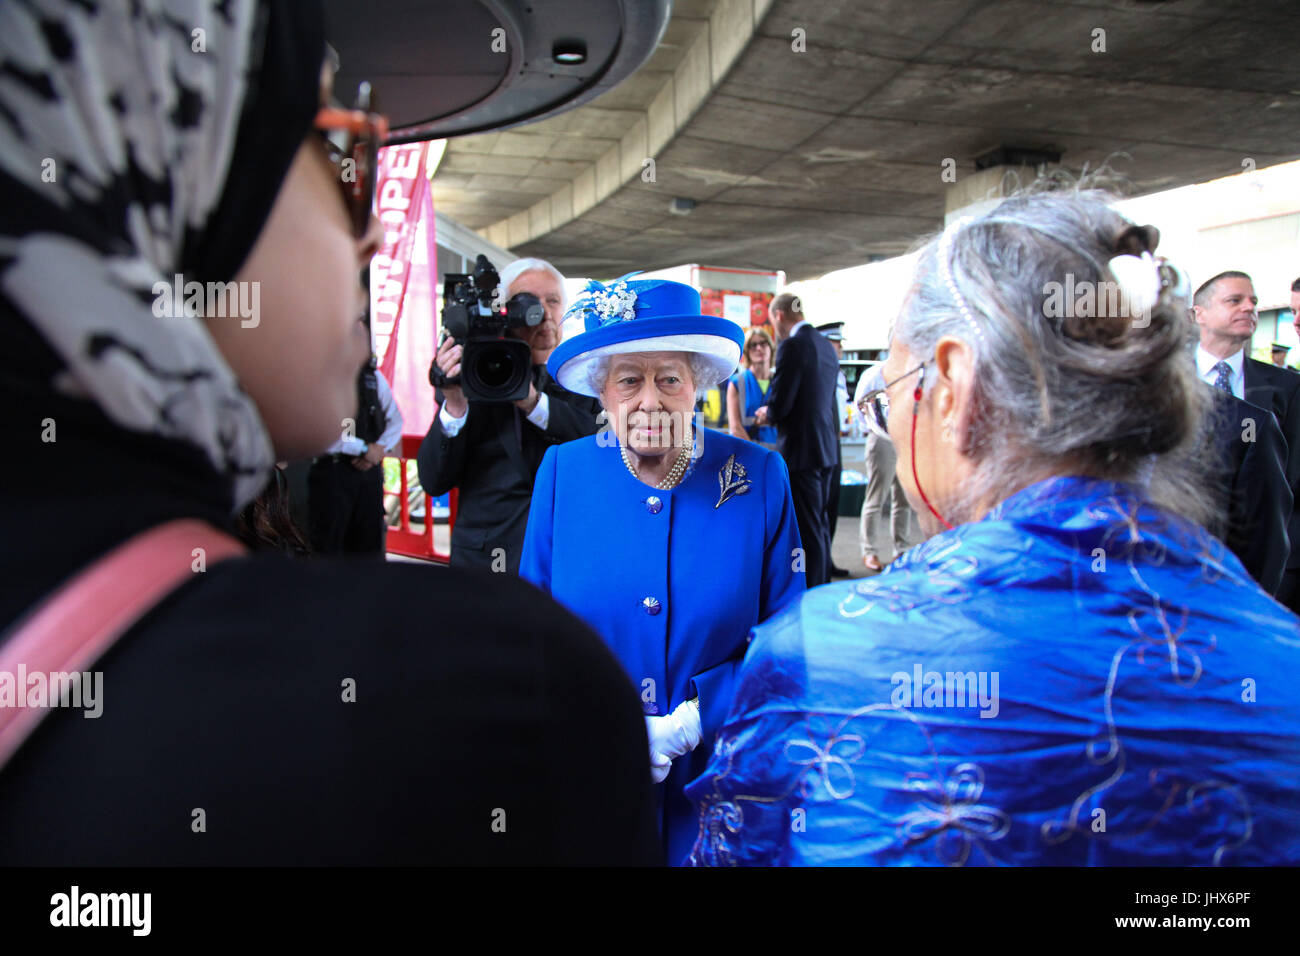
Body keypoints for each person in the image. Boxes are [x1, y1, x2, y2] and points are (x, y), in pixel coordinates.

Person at [0, 0, 659, 865]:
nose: (374, 225)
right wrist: (461, 404)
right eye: (335, 146)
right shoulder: (504, 701)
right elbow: (435, 475)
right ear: (172, 160)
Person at [686, 191, 1300, 866]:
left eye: (894, 389)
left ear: (950, 385)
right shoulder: (1280, 651)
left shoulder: (821, 655)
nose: (893, 416)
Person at [520, 276, 806, 865]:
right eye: (629, 380)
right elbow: (531, 635)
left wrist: (703, 714)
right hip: (591, 785)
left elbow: (791, 640)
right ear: (602, 392)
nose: (649, 401)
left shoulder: (759, 478)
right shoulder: (562, 474)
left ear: (697, 384)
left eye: (669, 379)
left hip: (724, 785)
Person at [417, 257, 601, 574]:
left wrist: (532, 402)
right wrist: (455, 406)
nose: (542, 313)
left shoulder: (585, 376)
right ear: (504, 310)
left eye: (553, 300)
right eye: (528, 302)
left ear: (566, 310)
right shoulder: (471, 376)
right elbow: (434, 480)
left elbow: (597, 447)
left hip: (566, 557)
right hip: (486, 563)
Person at [1193, 271, 1300, 612]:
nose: (1249, 308)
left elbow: (1292, 480)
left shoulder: (1287, 388)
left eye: (1253, 301)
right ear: (1199, 314)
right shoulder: (1163, 383)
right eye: (1234, 300)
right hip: (1183, 561)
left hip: (1265, 573)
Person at [754, 293, 841, 586]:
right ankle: (821, 582)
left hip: (801, 451)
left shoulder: (792, 346)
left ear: (778, 316)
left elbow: (782, 401)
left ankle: (814, 591)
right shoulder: (825, 346)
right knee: (821, 524)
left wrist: (767, 412)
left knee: (807, 526)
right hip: (826, 449)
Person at [307, 357, 403, 555]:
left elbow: (396, 419)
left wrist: (378, 449)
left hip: (369, 475)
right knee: (328, 548)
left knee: (370, 546)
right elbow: (323, 429)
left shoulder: (372, 377)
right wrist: (365, 450)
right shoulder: (317, 377)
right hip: (332, 473)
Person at [853, 362, 920, 572]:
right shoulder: (874, 373)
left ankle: (901, 549)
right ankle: (869, 551)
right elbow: (859, 405)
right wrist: (872, 430)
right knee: (876, 497)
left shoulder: (913, 369)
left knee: (904, 498)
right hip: (882, 438)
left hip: (907, 436)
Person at [818, 321, 852, 578]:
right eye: (835, 344)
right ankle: (822, 563)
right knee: (820, 510)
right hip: (823, 447)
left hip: (835, 444)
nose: (838, 349)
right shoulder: (819, 371)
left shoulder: (837, 374)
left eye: (839, 345)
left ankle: (829, 558)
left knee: (833, 506)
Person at [725, 327, 778, 447]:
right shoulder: (737, 382)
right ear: (747, 352)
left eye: (763, 343)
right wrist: (756, 455)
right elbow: (735, 427)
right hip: (748, 453)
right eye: (753, 345)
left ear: (770, 348)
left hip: (779, 455)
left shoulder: (781, 381)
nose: (759, 348)